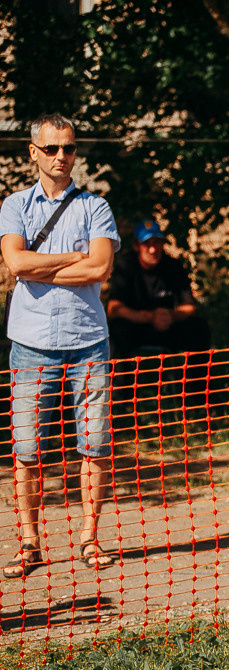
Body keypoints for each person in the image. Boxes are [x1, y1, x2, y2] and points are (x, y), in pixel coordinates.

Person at [0, 114, 120, 578]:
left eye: (68, 148)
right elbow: (15, 262)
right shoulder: (15, 206)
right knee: (27, 448)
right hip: (30, 343)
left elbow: (99, 270)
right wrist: (74, 255)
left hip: (87, 341)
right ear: (33, 152)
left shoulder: (96, 207)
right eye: (51, 149)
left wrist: (39, 265)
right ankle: (29, 543)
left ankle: (91, 539)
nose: (61, 157)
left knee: (93, 445)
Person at [106, 218, 212, 358]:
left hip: (168, 325)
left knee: (199, 327)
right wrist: (149, 317)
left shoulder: (173, 266)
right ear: (136, 245)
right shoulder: (125, 265)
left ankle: (198, 380)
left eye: (156, 242)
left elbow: (188, 307)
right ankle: (121, 380)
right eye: (146, 244)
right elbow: (113, 309)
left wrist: (170, 315)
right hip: (136, 327)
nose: (152, 249)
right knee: (116, 330)